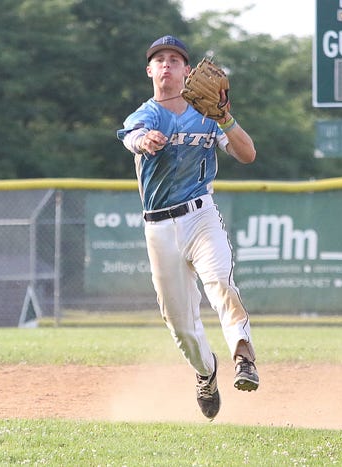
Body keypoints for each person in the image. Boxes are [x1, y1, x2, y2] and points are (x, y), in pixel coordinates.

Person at [116, 35, 259, 420]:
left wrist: (225, 117)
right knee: (180, 324)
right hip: (159, 227)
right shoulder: (145, 115)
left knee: (220, 283)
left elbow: (247, 154)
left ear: (187, 71)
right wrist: (144, 140)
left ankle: (243, 353)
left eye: (175, 60)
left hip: (200, 214)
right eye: (159, 59)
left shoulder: (208, 115)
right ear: (150, 71)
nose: (167, 65)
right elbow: (132, 137)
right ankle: (206, 372)